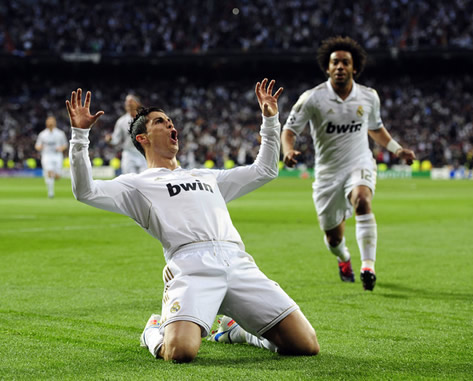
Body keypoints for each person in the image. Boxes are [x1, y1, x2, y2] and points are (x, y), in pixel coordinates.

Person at [66, 80, 319, 363]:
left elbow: (265, 170)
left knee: (305, 345)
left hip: (238, 261)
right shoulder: (136, 184)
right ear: (143, 138)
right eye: (160, 122)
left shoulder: (206, 176)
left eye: (170, 121)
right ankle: (153, 330)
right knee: (180, 352)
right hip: (191, 266)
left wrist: (270, 121)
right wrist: (79, 135)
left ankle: (237, 332)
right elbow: (85, 191)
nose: (170, 125)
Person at [281, 36, 415, 291]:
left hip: (359, 161)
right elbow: (289, 130)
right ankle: (345, 259)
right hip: (328, 173)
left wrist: (398, 150)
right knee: (334, 239)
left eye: (345, 62)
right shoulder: (312, 98)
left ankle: (368, 266)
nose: (340, 67)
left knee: (363, 200)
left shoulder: (368, 96)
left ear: (355, 67)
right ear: (327, 68)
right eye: (335, 63)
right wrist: (288, 151)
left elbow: (375, 129)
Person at [105, 94, 147, 174]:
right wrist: (110, 139)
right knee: (129, 180)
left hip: (144, 154)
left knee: (145, 181)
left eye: (131, 101)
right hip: (129, 154)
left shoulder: (146, 119)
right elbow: (116, 139)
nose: (128, 103)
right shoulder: (121, 121)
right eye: (127, 102)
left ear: (137, 103)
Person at [35, 116, 68, 198]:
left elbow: (65, 145)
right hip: (46, 156)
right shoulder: (42, 134)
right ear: (46, 123)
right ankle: (51, 193)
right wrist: (40, 147)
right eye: (49, 122)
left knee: (57, 176)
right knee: (49, 172)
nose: (50, 123)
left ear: (55, 123)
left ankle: (54, 176)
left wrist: (61, 148)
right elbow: (37, 146)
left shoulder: (60, 133)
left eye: (52, 122)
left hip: (57, 156)